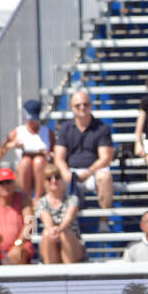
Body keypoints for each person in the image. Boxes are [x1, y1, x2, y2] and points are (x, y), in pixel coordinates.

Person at [54, 88, 115, 216]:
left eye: (86, 104)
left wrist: (89, 172)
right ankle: (59, 222)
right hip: (70, 172)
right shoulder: (65, 128)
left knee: (105, 177)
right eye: (78, 105)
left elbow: (106, 158)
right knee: (51, 179)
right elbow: (59, 158)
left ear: (91, 106)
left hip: (93, 172)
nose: (82, 107)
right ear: (72, 107)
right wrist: (66, 173)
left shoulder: (102, 128)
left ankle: (104, 222)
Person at [0, 100, 52, 200]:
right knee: (26, 162)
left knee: (39, 161)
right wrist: (9, 145)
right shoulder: (17, 132)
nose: (32, 122)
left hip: (42, 173)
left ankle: (38, 199)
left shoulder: (47, 133)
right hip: (22, 174)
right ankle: (26, 199)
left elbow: (55, 156)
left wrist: (47, 154)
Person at [34, 165, 85, 264]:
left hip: (72, 244)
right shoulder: (41, 202)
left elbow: (69, 218)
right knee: (47, 233)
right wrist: (52, 231)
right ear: (44, 182)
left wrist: (58, 230)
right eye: (49, 178)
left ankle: (70, 273)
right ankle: (50, 275)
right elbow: (46, 220)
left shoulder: (72, 199)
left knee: (64, 234)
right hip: (51, 240)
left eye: (57, 177)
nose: (53, 180)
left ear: (62, 179)